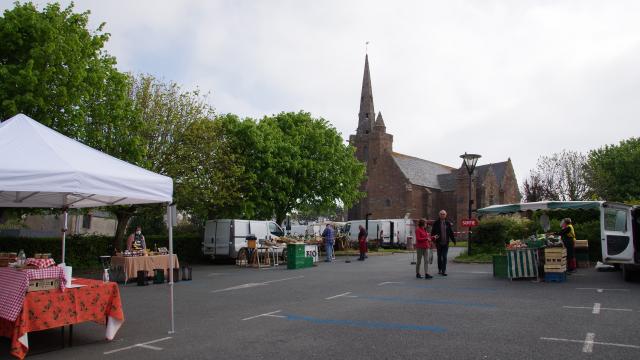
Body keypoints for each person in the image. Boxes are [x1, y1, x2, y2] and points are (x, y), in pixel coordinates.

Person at [430, 210, 456, 276]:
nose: (442, 215)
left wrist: (453, 240)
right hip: (438, 243)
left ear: (446, 215)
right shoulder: (436, 223)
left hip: (445, 243)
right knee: (439, 257)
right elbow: (432, 233)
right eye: (441, 214)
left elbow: (450, 233)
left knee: (444, 256)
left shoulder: (447, 223)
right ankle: (440, 269)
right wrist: (433, 240)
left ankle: (444, 270)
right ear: (439, 215)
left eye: (444, 214)